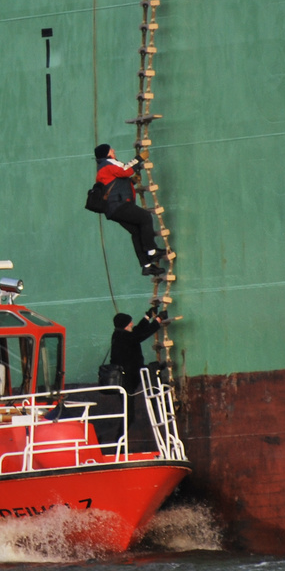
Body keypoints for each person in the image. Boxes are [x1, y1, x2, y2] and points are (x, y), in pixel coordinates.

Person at [94, 144, 166, 275]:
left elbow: (115, 185)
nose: (114, 150)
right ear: (107, 153)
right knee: (145, 217)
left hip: (113, 209)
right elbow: (125, 170)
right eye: (111, 149)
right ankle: (152, 251)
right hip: (119, 205)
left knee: (137, 232)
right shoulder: (108, 164)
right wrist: (139, 158)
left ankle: (146, 265)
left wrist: (131, 182)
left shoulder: (102, 169)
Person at [107, 301, 167, 450]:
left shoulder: (120, 335)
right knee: (130, 414)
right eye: (130, 322)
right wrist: (157, 321)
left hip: (129, 378)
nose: (132, 323)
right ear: (126, 325)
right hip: (127, 380)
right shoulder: (124, 337)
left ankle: (118, 444)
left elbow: (137, 332)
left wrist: (147, 317)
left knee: (129, 413)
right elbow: (141, 335)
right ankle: (118, 445)